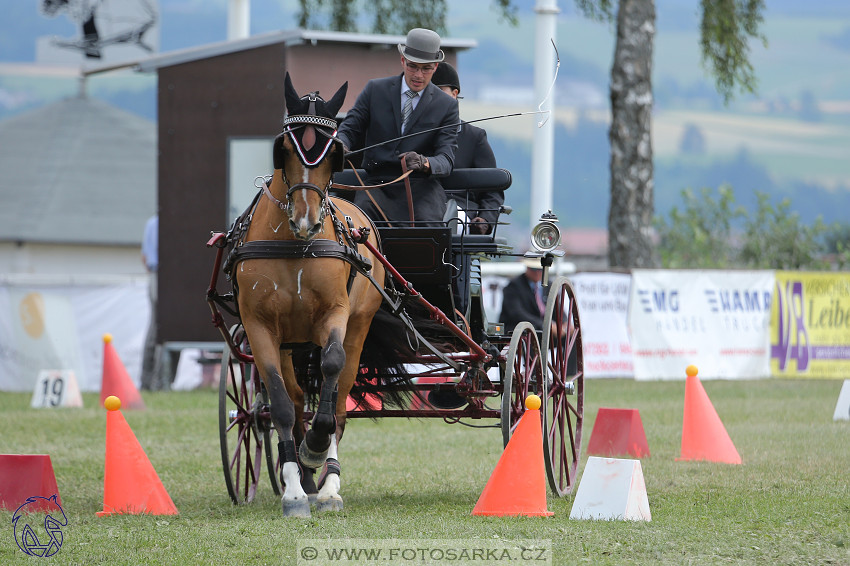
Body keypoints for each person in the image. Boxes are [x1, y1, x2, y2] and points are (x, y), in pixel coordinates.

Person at [336, 28, 459, 226]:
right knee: (358, 223)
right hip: (377, 184)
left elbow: (446, 159)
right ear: (402, 61)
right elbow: (350, 127)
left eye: (426, 68)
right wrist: (341, 144)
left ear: (436, 66)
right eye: (413, 67)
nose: (418, 75)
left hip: (422, 188)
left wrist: (424, 162)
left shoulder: (447, 105)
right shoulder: (375, 90)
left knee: (427, 228)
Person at [430, 61, 504, 235]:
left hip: (457, 212)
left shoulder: (474, 137)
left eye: (439, 92)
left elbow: (492, 190)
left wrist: (485, 218)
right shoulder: (412, 134)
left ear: (454, 94)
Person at [499, 258, 547, 332]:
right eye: (533, 269)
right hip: (518, 329)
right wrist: (543, 325)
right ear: (527, 268)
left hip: (543, 329)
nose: (537, 272)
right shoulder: (514, 286)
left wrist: (564, 323)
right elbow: (516, 313)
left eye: (540, 269)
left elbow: (557, 308)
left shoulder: (549, 285)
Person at [140, 214, 159, 390]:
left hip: (155, 274)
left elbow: (144, 257)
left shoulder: (151, 222)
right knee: (157, 328)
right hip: (160, 275)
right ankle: (152, 382)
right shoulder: (156, 223)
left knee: (155, 328)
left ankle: (149, 381)